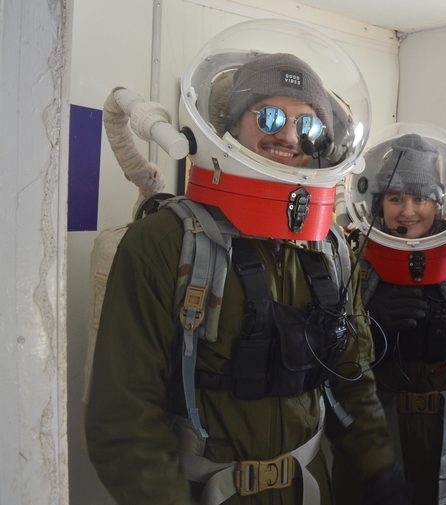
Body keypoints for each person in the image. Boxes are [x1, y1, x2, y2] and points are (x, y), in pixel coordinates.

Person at [85, 20, 406, 505]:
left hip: (307, 488)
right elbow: (124, 420)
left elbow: (352, 379)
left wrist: (379, 467)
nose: (290, 136)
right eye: (270, 118)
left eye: (308, 125)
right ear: (232, 124)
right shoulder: (164, 242)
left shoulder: (331, 249)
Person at [334, 125, 446, 505]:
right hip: (376, 431)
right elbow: (328, 354)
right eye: (396, 198)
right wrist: (368, 323)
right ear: (379, 203)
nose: (408, 210)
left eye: (420, 198)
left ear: (438, 203)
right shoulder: (353, 262)